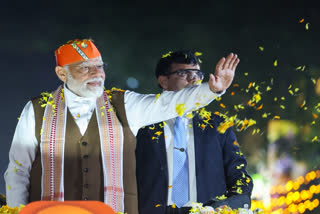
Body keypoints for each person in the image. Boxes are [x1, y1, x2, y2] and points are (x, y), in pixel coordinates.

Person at [4, 39, 236, 214]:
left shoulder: (123, 104)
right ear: (62, 73)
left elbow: (170, 102)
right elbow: (18, 171)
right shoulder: (37, 110)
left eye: (100, 66)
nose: (98, 74)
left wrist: (212, 90)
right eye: (86, 67)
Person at [136, 50, 253, 214]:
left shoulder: (217, 126)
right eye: (183, 73)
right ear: (163, 81)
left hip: (205, 210)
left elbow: (238, 175)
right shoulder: (142, 124)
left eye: (198, 74)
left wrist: (228, 206)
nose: (193, 79)